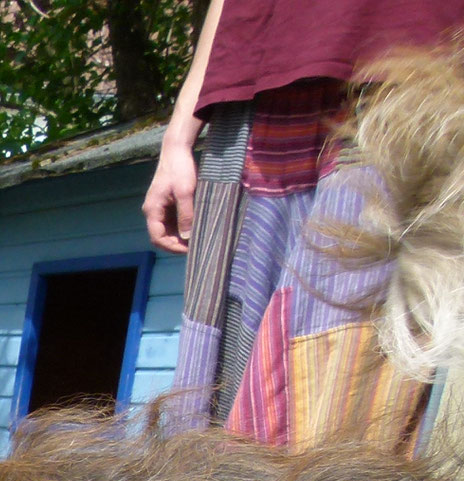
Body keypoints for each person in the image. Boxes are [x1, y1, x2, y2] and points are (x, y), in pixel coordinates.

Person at [145, 0, 464, 446]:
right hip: (250, 94)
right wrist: (178, 135)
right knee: (212, 410)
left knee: (358, 402)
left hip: (411, 84)